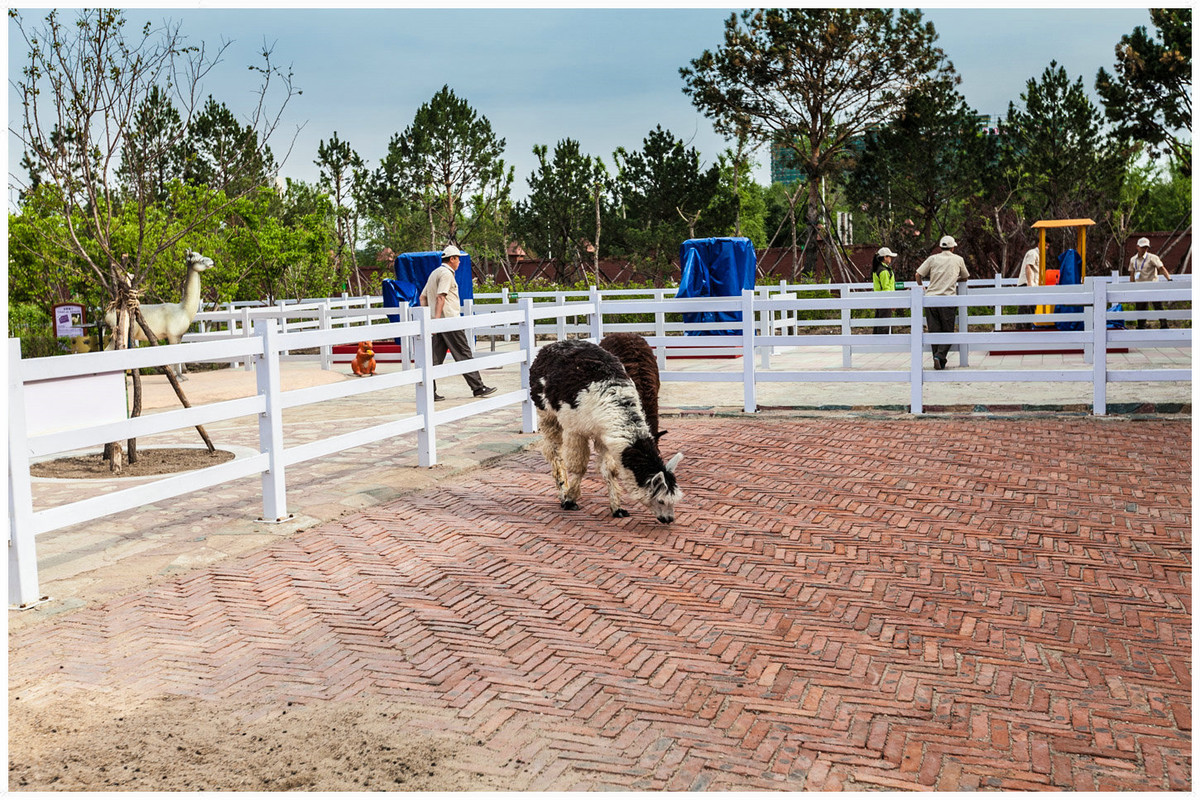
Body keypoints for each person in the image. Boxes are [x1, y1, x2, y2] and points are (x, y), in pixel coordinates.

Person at [419, 245, 496, 401]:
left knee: (433, 359)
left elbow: (423, 297)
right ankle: (478, 387)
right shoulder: (447, 274)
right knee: (463, 353)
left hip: (438, 322)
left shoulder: (434, 273)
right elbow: (441, 297)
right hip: (449, 321)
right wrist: (438, 319)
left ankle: (428, 391)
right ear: (452, 259)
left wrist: (431, 320)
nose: (459, 262)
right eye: (458, 259)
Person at [914, 235, 970, 370]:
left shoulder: (932, 258)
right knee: (948, 330)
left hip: (930, 299)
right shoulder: (958, 259)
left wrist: (922, 286)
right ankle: (939, 357)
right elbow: (965, 276)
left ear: (940, 247)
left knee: (934, 331)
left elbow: (917, 274)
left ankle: (938, 359)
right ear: (952, 248)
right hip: (947, 299)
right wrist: (954, 280)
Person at [1128, 237, 1173, 329]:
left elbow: (1161, 268)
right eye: (1142, 247)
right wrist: (1131, 286)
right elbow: (1132, 273)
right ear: (1137, 247)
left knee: (1158, 306)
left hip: (1152, 285)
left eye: (1146, 247)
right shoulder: (1133, 260)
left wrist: (1169, 279)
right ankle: (1141, 326)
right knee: (1140, 307)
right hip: (1139, 286)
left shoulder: (1153, 258)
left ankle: (1164, 325)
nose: (1144, 249)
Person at [871, 246, 898, 334]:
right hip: (886, 300)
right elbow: (886, 288)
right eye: (889, 256)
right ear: (885, 257)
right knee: (885, 323)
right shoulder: (884, 271)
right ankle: (884, 343)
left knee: (879, 321)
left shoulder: (877, 269)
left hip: (879, 299)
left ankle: (877, 343)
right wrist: (892, 301)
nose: (890, 258)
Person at [1015, 246, 1039, 330]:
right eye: (1046, 245)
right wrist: (1029, 282)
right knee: (1025, 307)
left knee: (1032, 308)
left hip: (1033, 285)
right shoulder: (1033, 253)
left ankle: (1028, 329)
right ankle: (1020, 330)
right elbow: (1028, 266)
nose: (1047, 247)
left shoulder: (1039, 255)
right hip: (1027, 284)